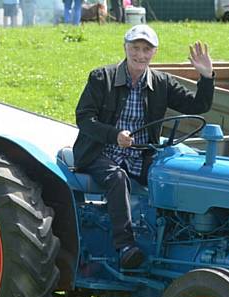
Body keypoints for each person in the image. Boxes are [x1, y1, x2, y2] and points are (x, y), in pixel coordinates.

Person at [73, 25, 215, 269]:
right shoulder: (101, 78)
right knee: (117, 178)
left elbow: (197, 106)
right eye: (135, 48)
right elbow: (84, 118)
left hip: (140, 154)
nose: (140, 54)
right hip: (101, 152)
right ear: (125, 48)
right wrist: (114, 135)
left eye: (146, 49)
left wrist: (206, 77)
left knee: (171, 178)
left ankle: (176, 245)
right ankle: (125, 247)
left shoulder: (161, 82)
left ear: (154, 53)